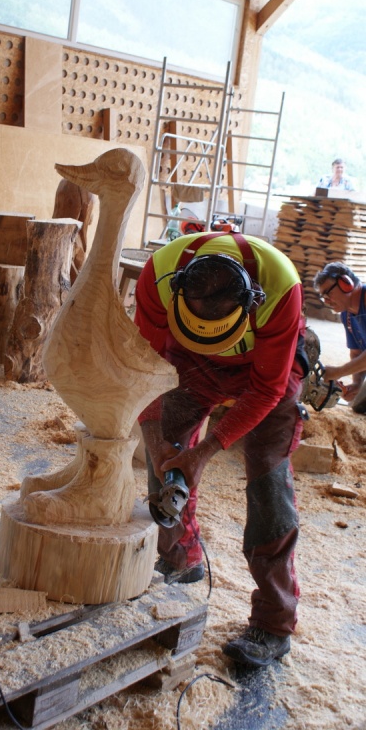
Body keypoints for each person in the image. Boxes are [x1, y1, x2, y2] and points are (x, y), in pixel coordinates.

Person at [134, 230, 307, 667]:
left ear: (251, 303)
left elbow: (266, 390)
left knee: (268, 481)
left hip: (265, 371)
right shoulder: (157, 274)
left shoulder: (280, 284)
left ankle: (273, 623)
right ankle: (181, 558)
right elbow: (142, 368)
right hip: (190, 365)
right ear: (179, 292)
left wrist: (206, 450)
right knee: (163, 454)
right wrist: (157, 443)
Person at [313, 262, 366, 413]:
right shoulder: (346, 314)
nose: (326, 301)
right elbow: (356, 352)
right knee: (359, 406)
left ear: (346, 284)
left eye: (327, 293)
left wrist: (339, 371)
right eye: (323, 297)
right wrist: (357, 383)